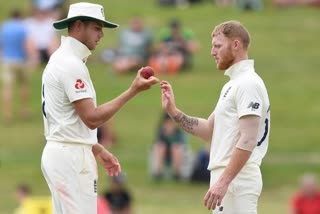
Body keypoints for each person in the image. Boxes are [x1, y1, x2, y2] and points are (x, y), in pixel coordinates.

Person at [40, 2, 159, 214]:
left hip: (64, 152)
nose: (101, 34)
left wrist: (96, 148)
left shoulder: (62, 59)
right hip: (71, 157)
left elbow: (66, 120)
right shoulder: (70, 64)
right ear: (78, 25)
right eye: (96, 28)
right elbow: (91, 118)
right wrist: (133, 90)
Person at [160, 20, 270, 213]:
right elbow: (209, 130)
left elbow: (249, 139)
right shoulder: (233, 85)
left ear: (236, 45)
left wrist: (224, 181)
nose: (212, 52)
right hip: (229, 178)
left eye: (218, 46)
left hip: (237, 179)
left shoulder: (248, 84)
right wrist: (174, 112)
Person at [0, 9, 32, 123]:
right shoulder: (22, 27)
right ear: (19, 16)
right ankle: (24, 110)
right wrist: (31, 57)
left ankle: (7, 113)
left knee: (7, 87)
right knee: (23, 85)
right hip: (20, 60)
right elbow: (26, 44)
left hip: (7, 60)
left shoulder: (3, 27)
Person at [150, 112, 188, 181]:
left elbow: (182, 144)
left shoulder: (178, 132)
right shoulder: (161, 132)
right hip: (164, 154)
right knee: (161, 147)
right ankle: (158, 173)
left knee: (176, 147)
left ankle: (177, 173)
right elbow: (157, 143)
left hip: (176, 154)